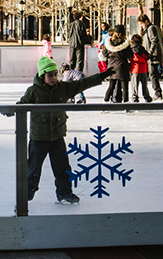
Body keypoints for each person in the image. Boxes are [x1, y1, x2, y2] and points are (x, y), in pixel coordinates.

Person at [16, 56, 113, 204]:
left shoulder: (63, 88)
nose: (54, 78)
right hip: (39, 138)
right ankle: (26, 195)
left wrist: (102, 75)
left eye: (55, 74)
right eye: (50, 75)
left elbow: (82, 84)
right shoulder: (34, 91)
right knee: (33, 170)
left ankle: (65, 193)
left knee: (63, 168)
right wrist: (12, 110)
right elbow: (22, 105)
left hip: (57, 137)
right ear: (42, 76)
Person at [102, 25, 133, 107]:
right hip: (122, 66)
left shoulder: (108, 42)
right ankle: (126, 105)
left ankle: (105, 103)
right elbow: (130, 55)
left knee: (111, 86)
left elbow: (104, 53)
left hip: (111, 66)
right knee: (125, 87)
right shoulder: (125, 43)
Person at [138, 14, 163, 100]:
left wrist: (150, 52)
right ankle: (158, 92)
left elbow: (154, 40)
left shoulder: (150, 28)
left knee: (152, 74)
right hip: (153, 55)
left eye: (141, 24)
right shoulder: (150, 28)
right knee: (153, 74)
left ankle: (158, 93)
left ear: (146, 21)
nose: (141, 26)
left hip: (153, 56)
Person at [130, 34, 152, 104]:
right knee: (144, 85)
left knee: (135, 85)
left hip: (135, 69)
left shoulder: (132, 51)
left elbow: (130, 59)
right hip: (143, 69)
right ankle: (147, 97)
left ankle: (135, 97)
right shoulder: (143, 50)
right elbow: (147, 57)